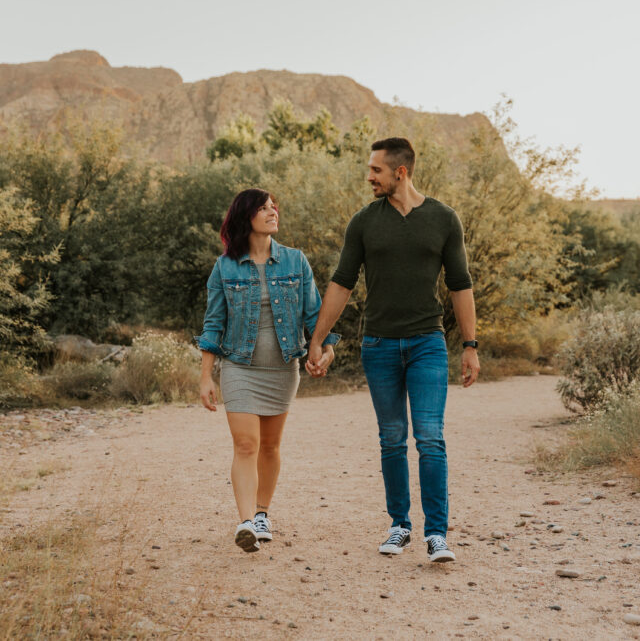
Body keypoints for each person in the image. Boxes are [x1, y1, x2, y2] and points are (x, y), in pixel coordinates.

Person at [307, 137, 479, 563]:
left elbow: (460, 284)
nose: (369, 177)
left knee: (430, 438)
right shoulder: (364, 222)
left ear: (400, 172)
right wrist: (317, 338)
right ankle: (400, 525)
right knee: (391, 438)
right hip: (379, 344)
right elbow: (341, 283)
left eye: (376, 170)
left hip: (427, 343)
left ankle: (436, 534)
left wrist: (471, 346)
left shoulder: (444, 219)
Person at [196, 188, 338, 553]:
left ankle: (261, 514)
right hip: (239, 366)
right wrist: (205, 376)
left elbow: (314, 316)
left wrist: (325, 350)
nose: (272, 212)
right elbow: (213, 324)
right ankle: (245, 522)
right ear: (247, 217)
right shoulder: (225, 266)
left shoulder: (295, 261)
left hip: (282, 367)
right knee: (246, 444)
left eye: (274, 206)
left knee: (271, 446)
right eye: (263, 208)